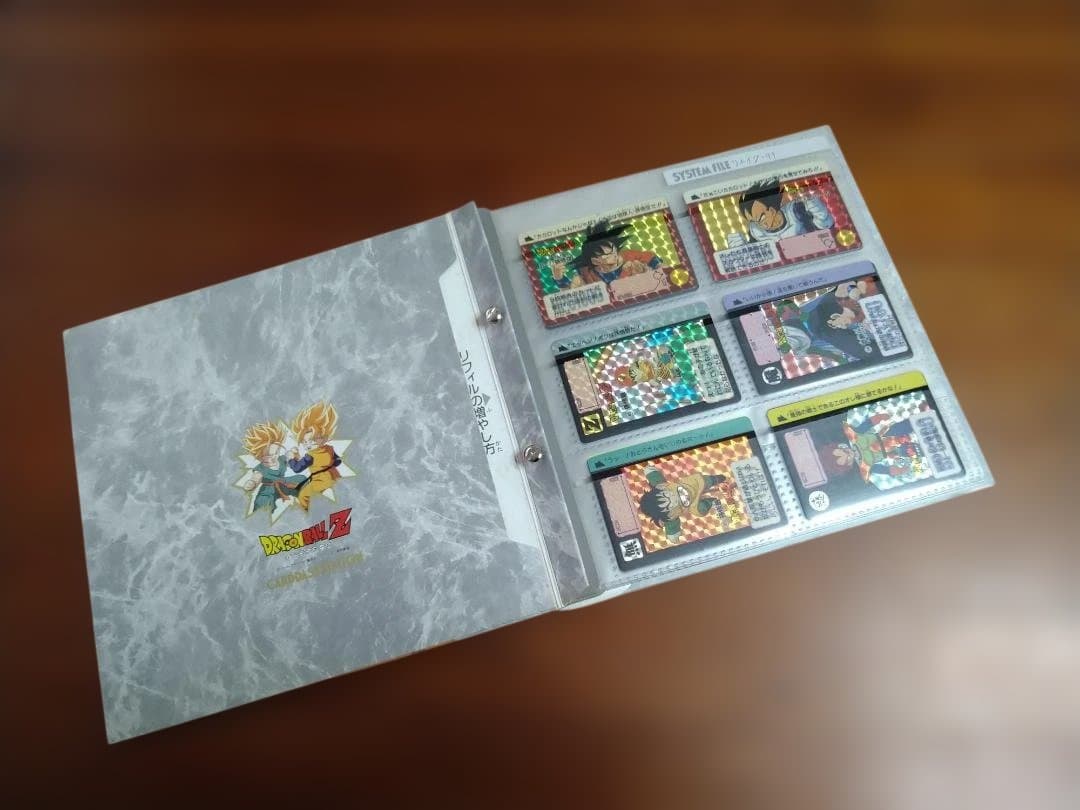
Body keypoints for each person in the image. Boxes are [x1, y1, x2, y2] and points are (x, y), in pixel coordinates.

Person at [550, 220, 663, 289]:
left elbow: (652, 258)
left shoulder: (628, 256)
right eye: (608, 255)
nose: (615, 257)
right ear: (595, 261)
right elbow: (571, 290)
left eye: (614, 252)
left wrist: (656, 269)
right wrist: (559, 278)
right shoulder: (586, 272)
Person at [727, 178, 834, 245]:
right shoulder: (756, 231)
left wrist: (822, 217)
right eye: (753, 221)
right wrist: (742, 248)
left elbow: (825, 232)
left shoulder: (796, 210)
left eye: (761, 218)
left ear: (772, 210)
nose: (759, 224)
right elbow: (757, 255)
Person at [242, 420, 306, 516]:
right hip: (268, 490)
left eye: (275, 453)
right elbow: (256, 477)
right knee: (263, 503)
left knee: (302, 479)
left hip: (283, 483)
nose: (273, 458)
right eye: (268, 456)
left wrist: (293, 454)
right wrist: (252, 483)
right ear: (259, 457)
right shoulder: (261, 468)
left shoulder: (280, 460)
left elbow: (290, 460)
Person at [288, 401, 343, 511]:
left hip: (320, 482)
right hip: (335, 477)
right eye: (305, 442)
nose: (308, 445)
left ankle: (306, 514)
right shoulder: (329, 449)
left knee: (302, 496)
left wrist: (291, 458)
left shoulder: (310, 455)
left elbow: (297, 468)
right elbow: (338, 461)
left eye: (312, 441)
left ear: (324, 438)